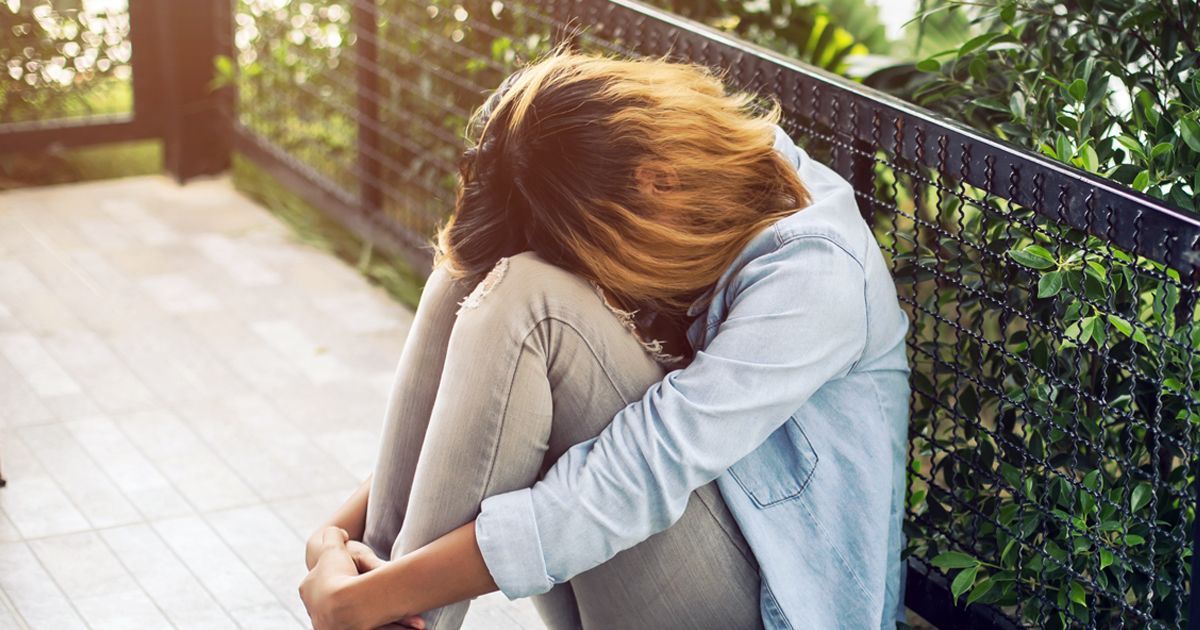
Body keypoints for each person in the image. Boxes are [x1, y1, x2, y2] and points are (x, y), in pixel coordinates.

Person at [299, 47, 912, 630]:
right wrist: (336, 541)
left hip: (778, 606)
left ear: (657, 182)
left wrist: (379, 594)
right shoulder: (700, 181)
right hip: (674, 545)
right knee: (469, 280)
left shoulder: (817, 273)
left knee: (530, 303)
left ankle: (378, 607)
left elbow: (635, 476)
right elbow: (477, 421)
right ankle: (374, 588)